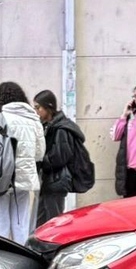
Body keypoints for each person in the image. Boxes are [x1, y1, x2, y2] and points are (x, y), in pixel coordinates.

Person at [0, 81, 45, 243]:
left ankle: (2, 260)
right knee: (21, 225)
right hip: (23, 180)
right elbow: (40, 153)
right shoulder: (34, 120)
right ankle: (22, 258)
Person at [33, 90, 86, 227]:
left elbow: (60, 157)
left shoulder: (61, 129)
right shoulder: (48, 126)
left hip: (56, 182)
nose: (36, 111)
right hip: (47, 181)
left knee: (54, 222)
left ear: (48, 107)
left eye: (38, 107)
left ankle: (56, 248)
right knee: (39, 223)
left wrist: (39, 161)